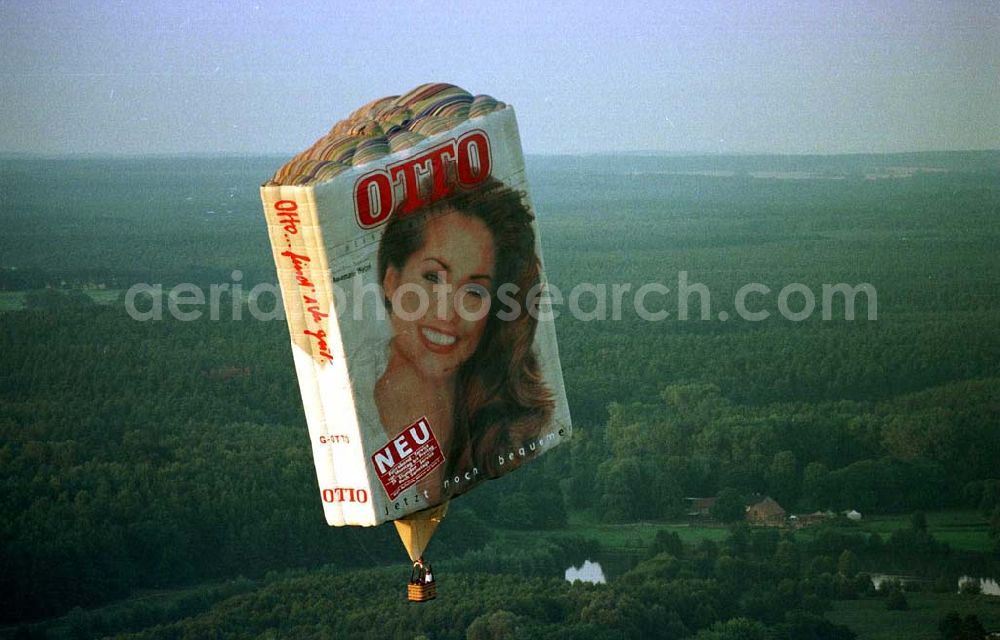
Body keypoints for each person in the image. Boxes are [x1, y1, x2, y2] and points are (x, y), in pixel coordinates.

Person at [375, 179, 553, 501]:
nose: (448, 312)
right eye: (432, 277)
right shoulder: (356, 423)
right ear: (391, 281)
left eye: (474, 291)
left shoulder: (503, 429)